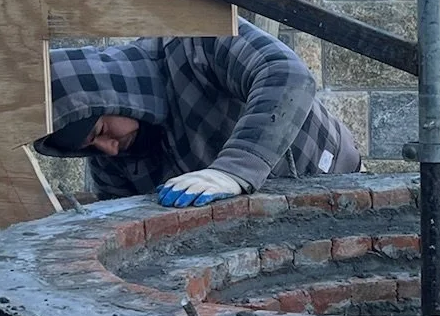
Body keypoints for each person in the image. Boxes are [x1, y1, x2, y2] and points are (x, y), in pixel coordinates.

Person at [33, 21, 362, 207]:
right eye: (89, 148)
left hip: (333, 183)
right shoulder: (111, 162)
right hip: (261, 231)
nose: (107, 148)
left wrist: (234, 170)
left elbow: (286, 75)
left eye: (101, 130)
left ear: (108, 95)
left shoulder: (193, 42)